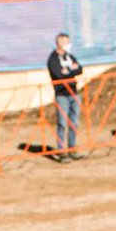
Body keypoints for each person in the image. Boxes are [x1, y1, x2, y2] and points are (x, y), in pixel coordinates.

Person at [47, 31, 84, 160]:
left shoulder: (70, 56)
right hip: (61, 95)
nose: (69, 44)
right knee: (62, 123)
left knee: (74, 122)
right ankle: (61, 150)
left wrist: (69, 71)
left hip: (74, 93)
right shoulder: (53, 59)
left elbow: (80, 69)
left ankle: (72, 148)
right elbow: (59, 74)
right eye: (66, 42)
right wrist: (71, 70)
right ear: (59, 44)